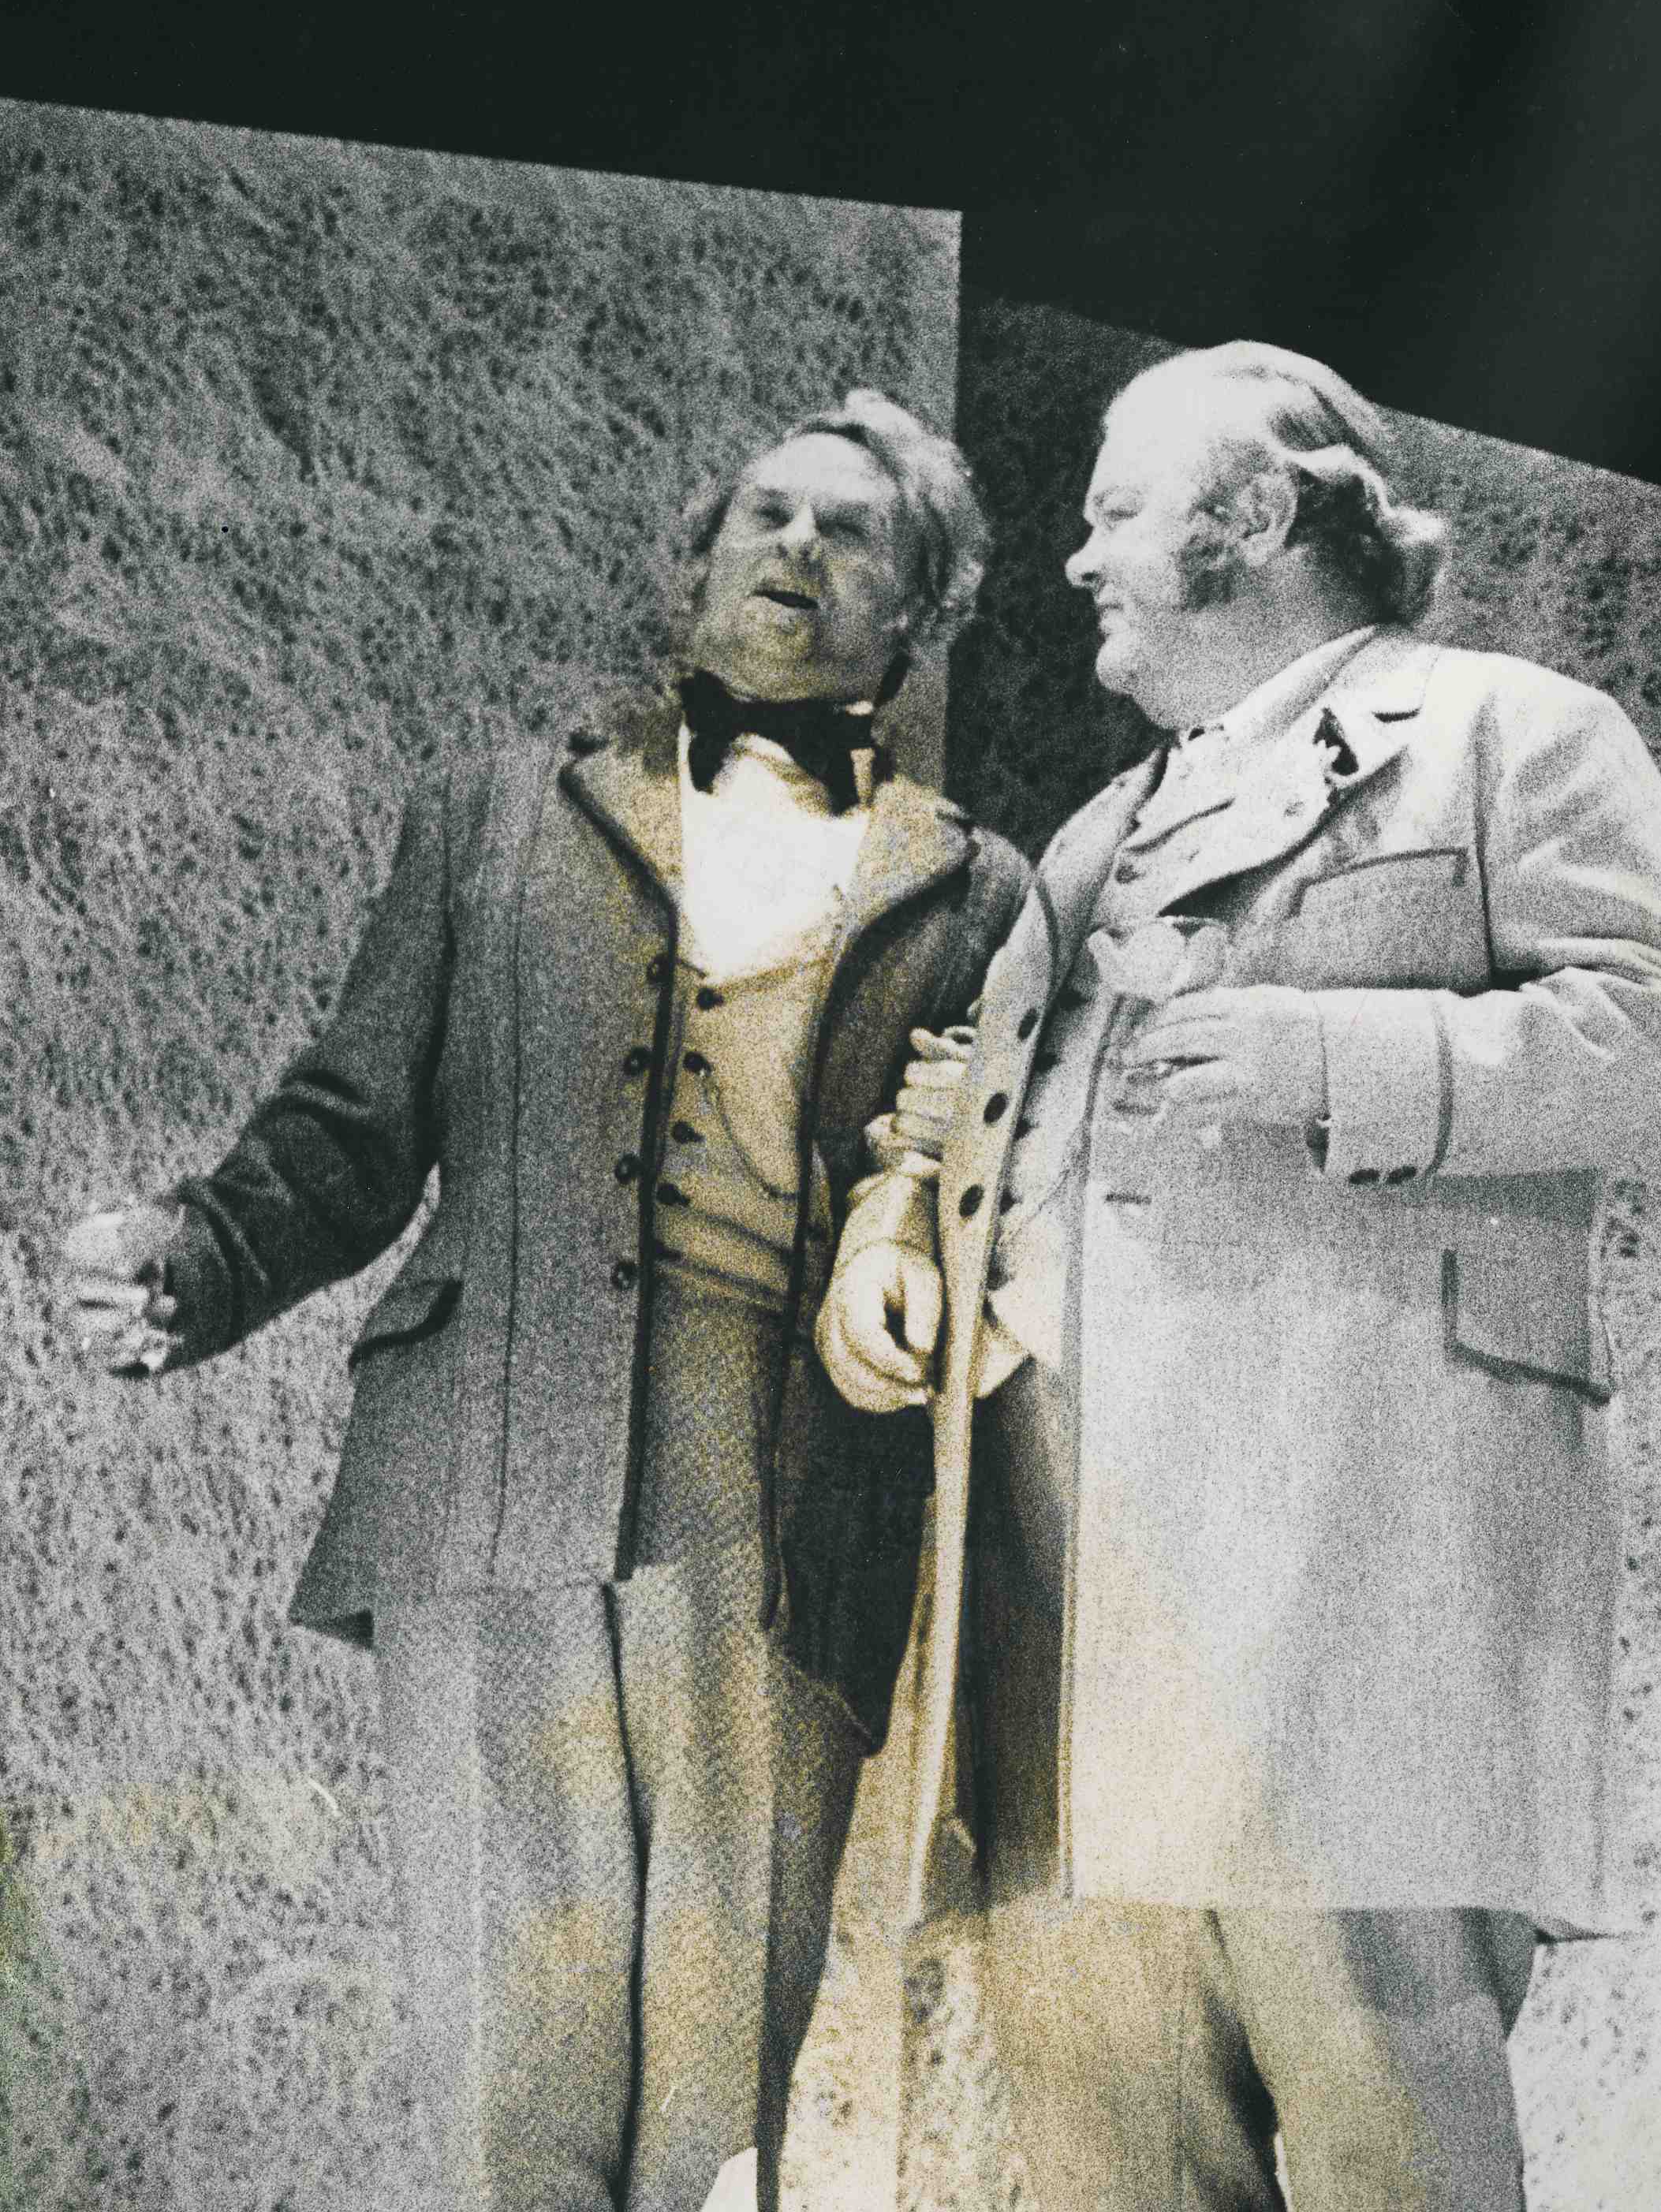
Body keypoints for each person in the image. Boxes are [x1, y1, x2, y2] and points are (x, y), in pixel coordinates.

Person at [53, 390, 1030, 2212]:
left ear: (918, 611)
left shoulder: (982, 895)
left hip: (784, 1508)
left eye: (852, 531)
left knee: (713, 2111)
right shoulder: (497, 815)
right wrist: (196, 1261)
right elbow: (350, 1126)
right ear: (696, 565)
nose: (797, 548)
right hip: (488, 1477)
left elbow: (983, 1206)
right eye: (765, 513)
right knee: (510, 2081)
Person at [815, 340, 1661, 2211]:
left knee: (1386, 2127)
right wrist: (892, 1227)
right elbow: (979, 1093)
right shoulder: (1099, 831)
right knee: (1105, 2139)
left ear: (1254, 512)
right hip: (1061, 1570)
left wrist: (1335, 1055)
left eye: (1115, 510)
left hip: (1347, 1567)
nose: (1079, 558)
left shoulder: (1509, 732)